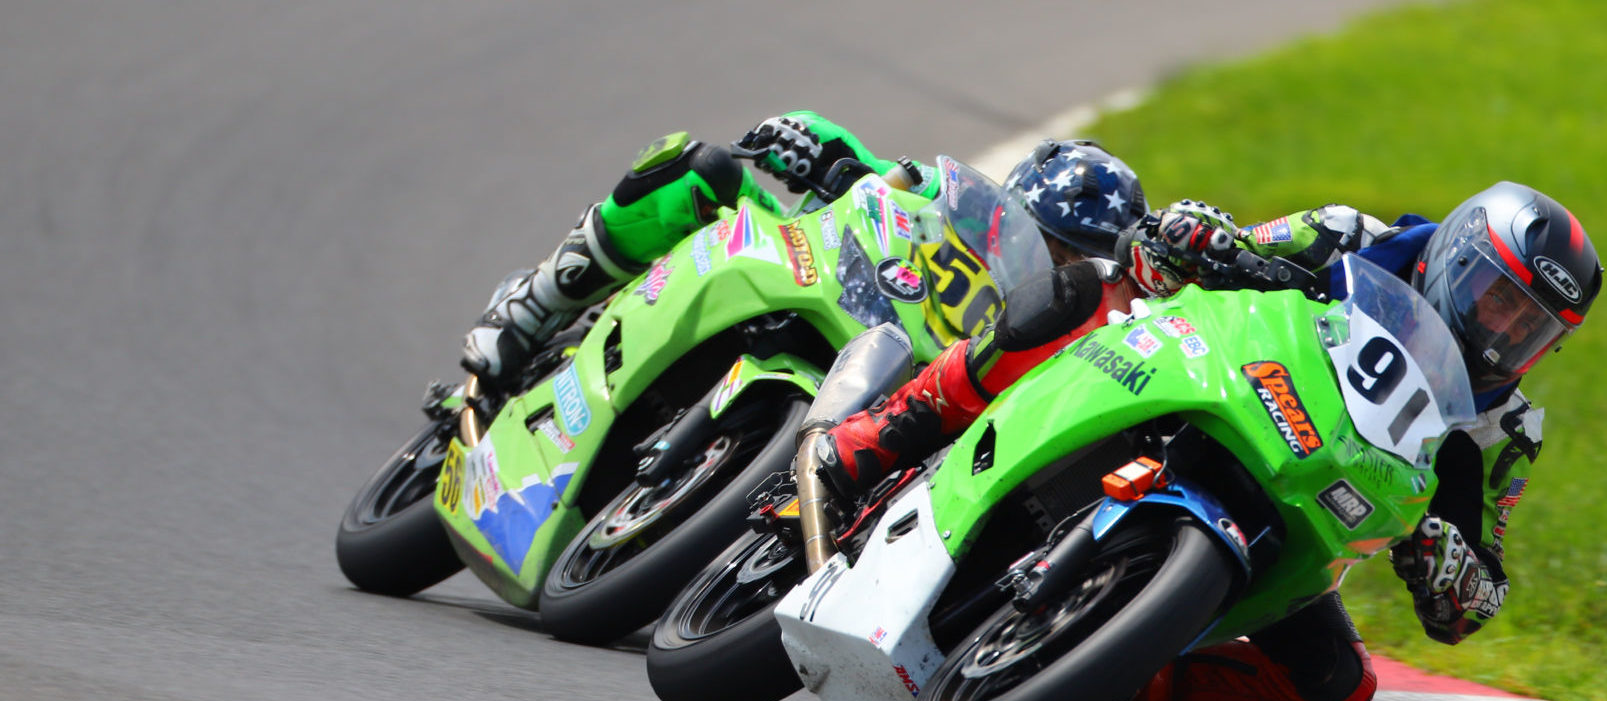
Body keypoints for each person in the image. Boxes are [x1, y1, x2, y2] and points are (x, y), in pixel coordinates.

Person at [816, 181, 1603, 701]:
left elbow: (1480, 587)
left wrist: (1453, 570)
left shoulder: (1506, 431)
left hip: (1302, 511)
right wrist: (1200, 237)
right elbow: (1219, 250)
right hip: (1219, 388)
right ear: (1459, 256)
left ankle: (1124, 666)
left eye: (1531, 325)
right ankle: (887, 429)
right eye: (1498, 297)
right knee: (1092, 291)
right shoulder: (1352, 236)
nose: (1503, 330)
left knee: (1335, 685)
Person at [457, 114, 1147, 387]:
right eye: (1050, 240)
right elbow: (869, 167)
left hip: (885, 385)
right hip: (799, 278)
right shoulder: (947, 196)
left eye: (1072, 258)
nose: (1054, 263)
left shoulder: (1059, 337)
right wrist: (806, 138)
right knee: (699, 171)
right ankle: (533, 305)